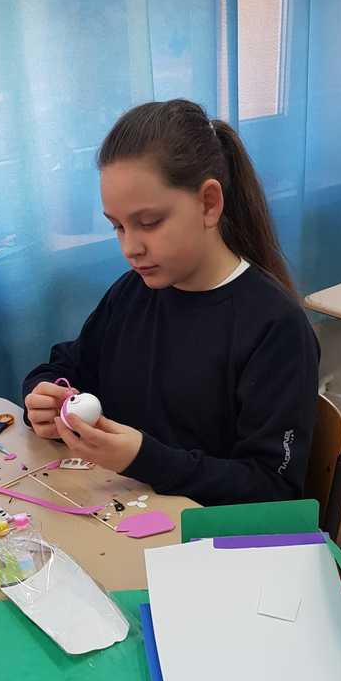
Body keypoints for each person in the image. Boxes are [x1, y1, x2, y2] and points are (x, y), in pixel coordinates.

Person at [23, 99, 319, 505]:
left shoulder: (275, 327)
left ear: (208, 203)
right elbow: (66, 367)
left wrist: (144, 459)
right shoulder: (132, 293)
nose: (130, 247)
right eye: (118, 227)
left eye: (149, 223)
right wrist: (42, 398)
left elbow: (272, 488)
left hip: (206, 533)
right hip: (125, 516)